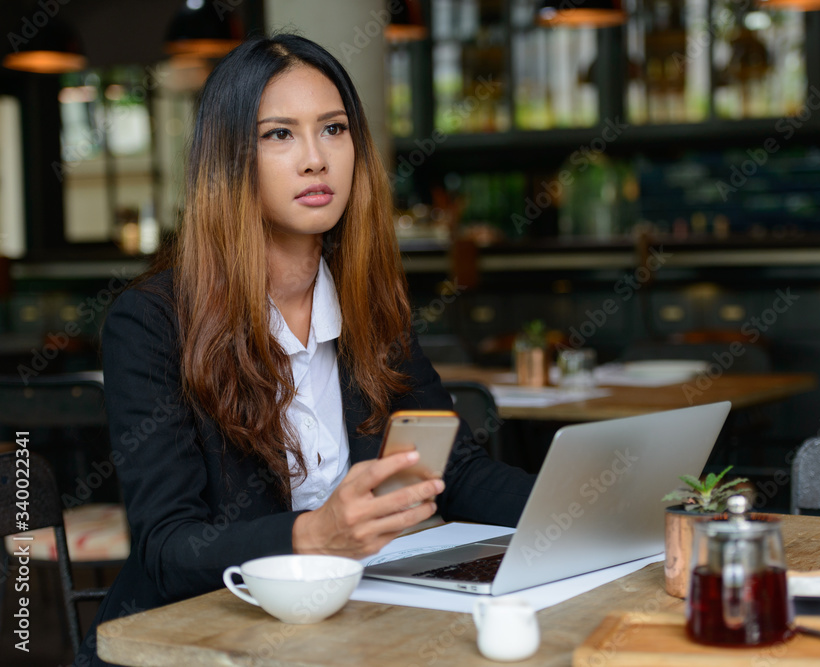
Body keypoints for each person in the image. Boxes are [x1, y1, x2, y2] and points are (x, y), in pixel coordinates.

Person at [76, 33, 534, 666]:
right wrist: (314, 535)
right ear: (229, 158)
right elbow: (169, 547)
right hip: (193, 640)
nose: (316, 159)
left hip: (340, 630)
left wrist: (597, 508)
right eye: (279, 134)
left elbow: (454, 471)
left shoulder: (368, 303)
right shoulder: (152, 322)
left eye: (334, 129)